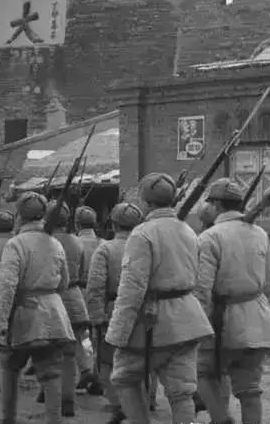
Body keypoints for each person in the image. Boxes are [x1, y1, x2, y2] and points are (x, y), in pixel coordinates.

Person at [105, 172, 213, 424]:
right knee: (182, 390)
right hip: (188, 320)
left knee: (124, 378)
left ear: (145, 201)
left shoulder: (142, 233)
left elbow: (131, 289)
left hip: (152, 322)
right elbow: (200, 280)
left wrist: (117, 334)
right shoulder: (189, 230)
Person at [195, 178, 270, 424]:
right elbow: (267, 282)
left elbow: (202, 289)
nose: (208, 207)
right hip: (258, 318)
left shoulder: (209, 237)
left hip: (221, 322)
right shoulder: (261, 234)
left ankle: (222, 421)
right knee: (250, 387)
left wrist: (197, 328)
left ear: (217, 205)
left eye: (210, 202)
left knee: (204, 374)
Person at [0, 191, 75, 424]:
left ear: (20, 215)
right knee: (51, 374)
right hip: (53, 313)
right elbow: (64, 282)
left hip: (23, 314)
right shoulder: (55, 242)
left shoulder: (15, 244)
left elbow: (7, 286)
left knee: (9, 367)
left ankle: (8, 419)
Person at [87, 201, 143, 424]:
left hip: (113, 310)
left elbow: (96, 286)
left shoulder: (106, 249)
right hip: (143, 311)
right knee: (143, 359)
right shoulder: (147, 244)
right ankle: (145, 401)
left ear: (113, 223)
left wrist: (96, 316)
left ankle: (119, 404)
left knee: (106, 362)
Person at [37, 200, 92, 417]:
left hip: (51, 300)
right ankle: (68, 400)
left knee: (48, 353)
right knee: (70, 353)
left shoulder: (43, 242)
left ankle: (48, 393)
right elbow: (83, 273)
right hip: (75, 298)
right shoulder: (77, 242)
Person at [74, 205, 103, 396]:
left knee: (76, 336)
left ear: (76, 223)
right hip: (101, 296)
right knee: (97, 338)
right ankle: (98, 375)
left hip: (78, 292)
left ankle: (86, 369)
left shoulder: (73, 242)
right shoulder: (104, 243)